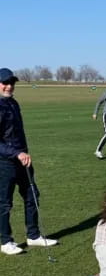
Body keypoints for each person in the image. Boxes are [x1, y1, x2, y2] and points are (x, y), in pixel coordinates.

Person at [0, 68, 58, 255]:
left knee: (32, 195)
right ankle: (5, 241)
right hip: (5, 162)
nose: (9, 86)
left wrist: (24, 153)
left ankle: (33, 236)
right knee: (5, 203)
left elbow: (18, 134)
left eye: (12, 83)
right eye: (5, 83)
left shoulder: (13, 103)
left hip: (23, 160)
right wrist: (16, 153)